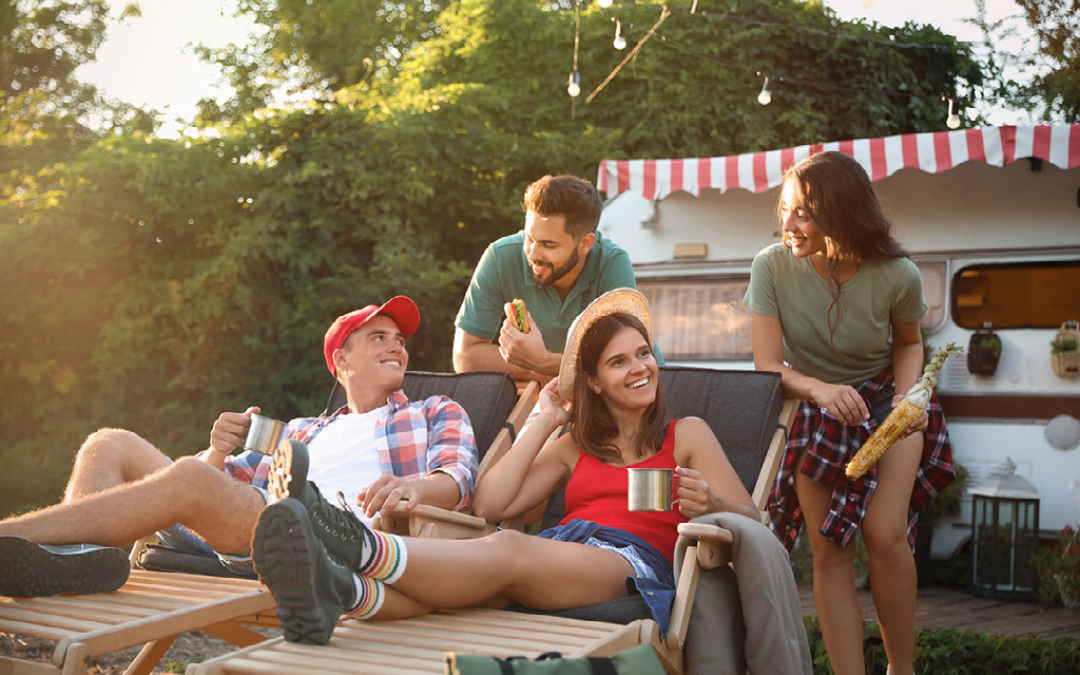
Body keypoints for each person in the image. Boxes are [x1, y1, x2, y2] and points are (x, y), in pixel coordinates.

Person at [251, 288, 758, 645]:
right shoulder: (575, 445)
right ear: (596, 383)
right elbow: (492, 503)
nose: (641, 367)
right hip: (563, 553)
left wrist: (709, 504)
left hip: (636, 565)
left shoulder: (686, 434)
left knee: (506, 549)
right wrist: (543, 419)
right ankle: (341, 591)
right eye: (618, 361)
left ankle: (355, 543)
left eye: (643, 354)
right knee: (467, 584)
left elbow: (755, 524)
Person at [0, 296, 477, 598]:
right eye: (379, 337)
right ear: (341, 362)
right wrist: (217, 451)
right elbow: (217, 488)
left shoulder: (433, 410)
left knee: (191, 478)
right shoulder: (301, 430)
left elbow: (454, 480)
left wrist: (409, 488)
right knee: (108, 443)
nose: (397, 346)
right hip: (243, 527)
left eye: (399, 339)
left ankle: (15, 535)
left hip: (327, 544)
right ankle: (72, 562)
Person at [744, 152, 955, 675]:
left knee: (885, 533)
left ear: (841, 212)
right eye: (787, 210)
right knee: (829, 549)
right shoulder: (771, 266)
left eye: (804, 213)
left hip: (886, 401)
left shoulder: (897, 273)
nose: (789, 224)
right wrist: (819, 389)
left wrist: (909, 399)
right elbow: (769, 365)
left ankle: (900, 669)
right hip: (815, 403)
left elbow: (909, 344)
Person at [453, 175, 658, 384]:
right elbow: (465, 356)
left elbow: (625, 366)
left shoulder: (612, 263)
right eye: (529, 239)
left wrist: (544, 362)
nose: (533, 254)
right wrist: (537, 371)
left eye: (548, 245)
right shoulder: (500, 257)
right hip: (552, 398)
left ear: (586, 244)